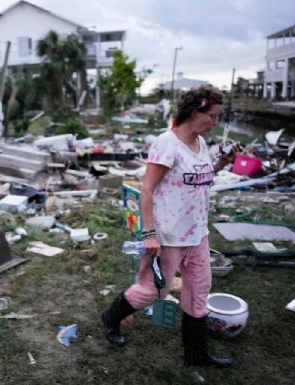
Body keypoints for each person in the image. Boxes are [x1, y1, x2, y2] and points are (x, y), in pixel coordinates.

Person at [101, 85, 239, 368]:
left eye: (218, 117)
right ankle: (111, 318)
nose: (216, 122)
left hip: (197, 234)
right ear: (194, 112)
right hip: (168, 237)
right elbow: (147, 189)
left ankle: (196, 355)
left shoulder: (200, 143)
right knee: (153, 292)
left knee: (199, 292)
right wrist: (149, 234)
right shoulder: (167, 143)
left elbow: (201, 176)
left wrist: (223, 161)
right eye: (212, 116)